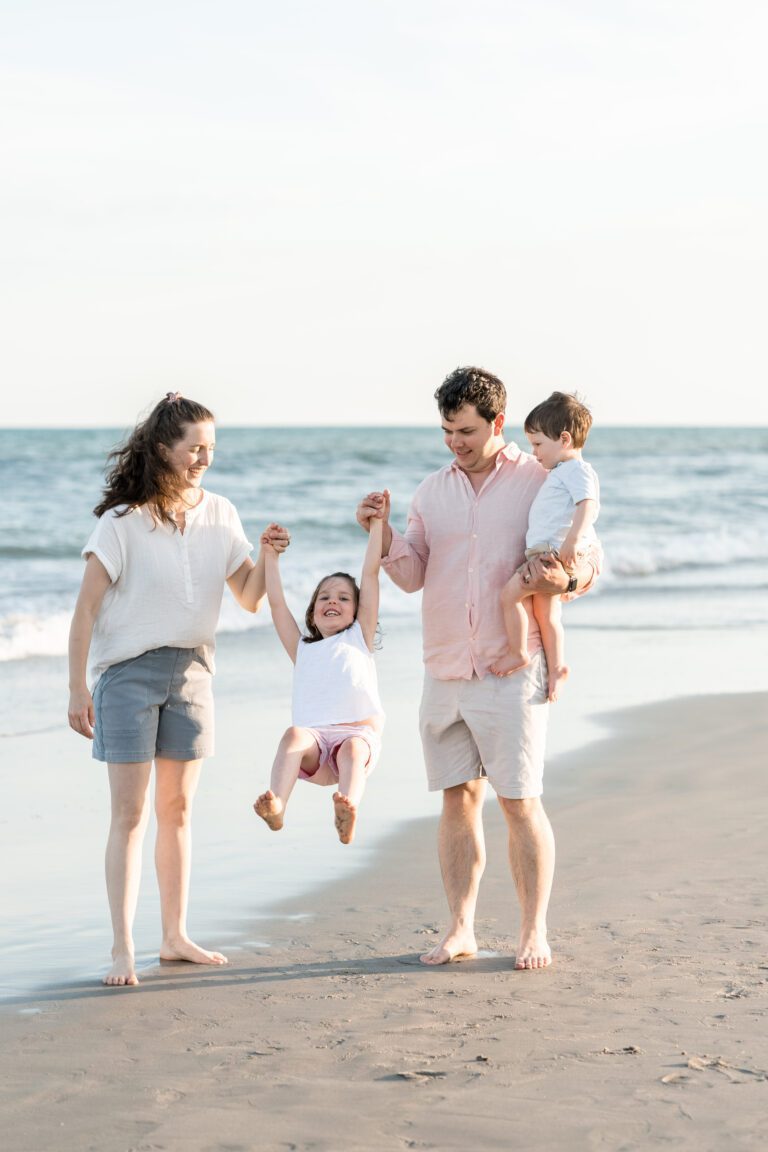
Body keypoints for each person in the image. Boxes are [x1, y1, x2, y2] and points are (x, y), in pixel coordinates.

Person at [356, 367, 600, 969]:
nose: (454, 443)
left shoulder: (542, 478)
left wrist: (567, 577)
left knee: (519, 800)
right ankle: (460, 927)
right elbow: (411, 575)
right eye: (445, 431)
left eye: (465, 431)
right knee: (457, 798)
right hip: (443, 668)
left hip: (511, 669)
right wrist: (381, 533)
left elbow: (588, 553)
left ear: (497, 422)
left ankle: (532, 932)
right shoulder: (430, 492)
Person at [68, 393, 288, 987]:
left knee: (180, 810)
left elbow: (247, 595)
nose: (204, 459)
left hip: (193, 674)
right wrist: (75, 689)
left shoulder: (221, 512)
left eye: (211, 450)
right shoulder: (121, 522)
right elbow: (85, 611)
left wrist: (267, 558)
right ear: (163, 447)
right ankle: (122, 948)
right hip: (126, 676)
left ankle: (174, 937)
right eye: (195, 448)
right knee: (131, 814)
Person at [254, 511, 385, 846]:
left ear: (357, 611)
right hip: (314, 746)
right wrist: (270, 555)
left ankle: (348, 809)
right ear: (312, 612)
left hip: (353, 739)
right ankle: (279, 804)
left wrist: (376, 527)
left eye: (343, 598)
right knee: (293, 735)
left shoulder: (359, 637)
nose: (333, 601)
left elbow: (370, 574)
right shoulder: (302, 649)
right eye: (324, 597)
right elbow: (277, 605)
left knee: (353, 748)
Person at [489, 391, 599, 699]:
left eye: (538, 444)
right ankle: (558, 666)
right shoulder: (562, 471)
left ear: (563, 439)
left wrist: (575, 540)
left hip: (549, 556)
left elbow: (588, 504)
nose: (534, 453)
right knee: (546, 615)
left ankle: (518, 651)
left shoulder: (577, 470)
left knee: (509, 597)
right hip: (545, 554)